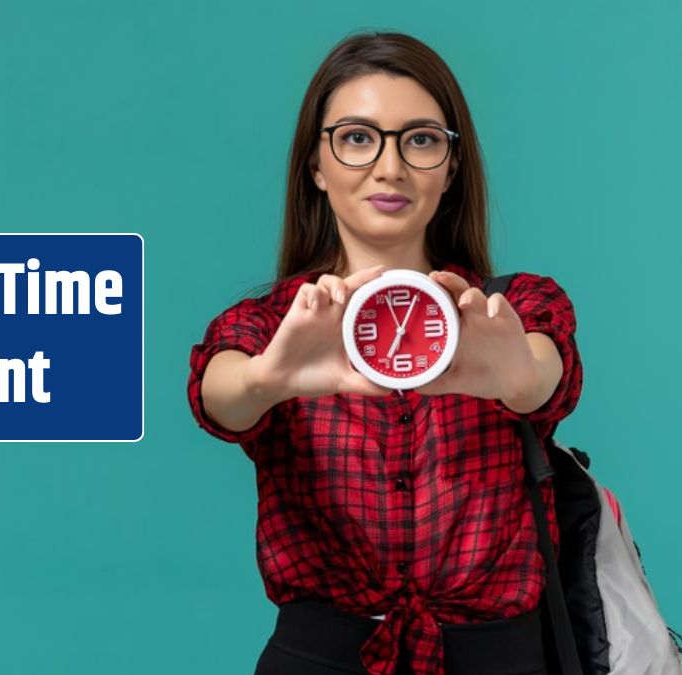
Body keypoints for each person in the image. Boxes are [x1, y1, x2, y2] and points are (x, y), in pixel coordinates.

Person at [186, 32, 583, 675]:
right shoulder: (270, 324)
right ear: (316, 164)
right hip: (322, 657)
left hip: (503, 658)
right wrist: (267, 380)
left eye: (421, 139)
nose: (390, 167)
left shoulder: (513, 310)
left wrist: (517, 375)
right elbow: (219, 392)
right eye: (357, 137)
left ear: (452, 167)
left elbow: (545, 375)